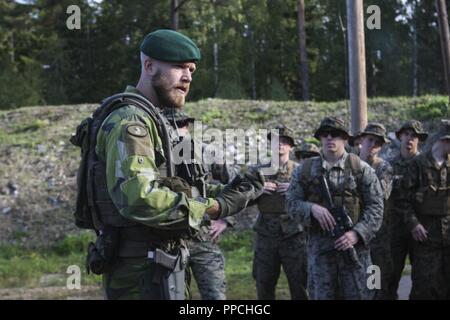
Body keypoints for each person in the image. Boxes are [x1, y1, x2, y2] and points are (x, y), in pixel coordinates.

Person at [80, 29, 263, 300]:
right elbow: (139, 197)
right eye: (178, 67)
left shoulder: (154, 120)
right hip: (140, 273)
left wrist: (224, 197)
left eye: (192, 69)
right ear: (149, 65)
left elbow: (168, 186)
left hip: (158, 264)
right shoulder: (132, 123)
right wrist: (213, 207)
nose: (188, 77)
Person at [286, 116, 384, 300]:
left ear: (345, 138)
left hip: (355, 253)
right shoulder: (304, 170)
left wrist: (357, 233)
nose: (330, 138)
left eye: (336, 134)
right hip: (320, 253)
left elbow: (376, 207)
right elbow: (291, 203)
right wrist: (311, 208)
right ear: (320, 138)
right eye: (325, 134)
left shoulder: (361, 169)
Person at [164, 107, 235, 300]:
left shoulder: (205, 151)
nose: (177, 129)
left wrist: (225, 217)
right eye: (171, 125)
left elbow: (235, 182)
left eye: (181, 124)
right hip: (169, 242)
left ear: (187, 126)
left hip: (204, 239)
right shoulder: (157, 156)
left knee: (215, 296)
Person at [252, 125, 308, 300]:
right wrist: (258, 190)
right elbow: (242, 198)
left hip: (294, 236)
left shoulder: (301, 171)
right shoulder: (259, 171)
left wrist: (295, 189)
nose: (280, 145)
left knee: (300, 285)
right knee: (264, 284)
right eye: (277, 141)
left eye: (285, 142)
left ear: (291, 146)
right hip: (266, 237)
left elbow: (314, 199)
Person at [403, 120, 450, 299]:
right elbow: (403, 199)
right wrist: (413, 224)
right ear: (445, 141)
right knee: (424, 288)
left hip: (448, 240)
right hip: (426, 239)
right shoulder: (418, 164)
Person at [387, 120, 428, 299]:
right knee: (389, 276)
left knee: (421, 278)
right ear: (400, 137)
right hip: (394, 229)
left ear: (419, 140)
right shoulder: (388, 165)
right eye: (406, 134)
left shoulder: (426, 166)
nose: (409, 139)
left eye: (414, 135)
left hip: (420, 229)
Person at [358, 123, 394, 299]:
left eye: (377, 142)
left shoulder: (384, 168)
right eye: (370, 139)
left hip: (375, 238)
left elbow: (379, 195)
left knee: (376, 285)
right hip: (351, 233)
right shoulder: (348, 164)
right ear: (361, 141)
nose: (372, 144)